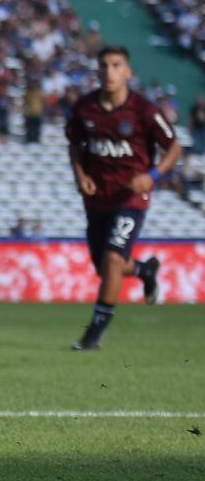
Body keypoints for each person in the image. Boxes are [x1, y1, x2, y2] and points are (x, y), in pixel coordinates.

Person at [65, 46, 181, 351]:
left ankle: (93, 336)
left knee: (114, 259)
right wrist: (80, 175)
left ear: (128, 72)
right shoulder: (84, 109)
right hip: (97, 198)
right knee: (105, 268)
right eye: (104, 65)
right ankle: (145, 270)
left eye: (117, 65)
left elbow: (174, 147)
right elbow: (75, 145)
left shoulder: (144, 110)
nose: (109, 71)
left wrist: (153, 176)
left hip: (132, 196)